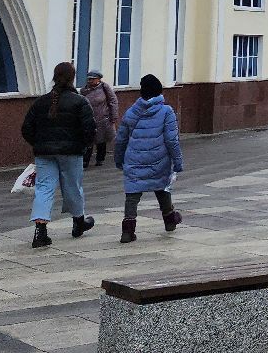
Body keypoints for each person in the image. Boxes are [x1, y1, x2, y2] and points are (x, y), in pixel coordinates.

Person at [20, 62, 96, 248]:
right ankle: (79, 222)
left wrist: (38, 144)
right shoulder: (80, 102)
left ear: (55, 77)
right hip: (72, 152)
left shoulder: (40, 102)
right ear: (72, 78)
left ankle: (40, 232)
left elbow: (26, 128)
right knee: (73, 187)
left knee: (44, 189)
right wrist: (83, 146)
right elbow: (90, 129)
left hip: (44, 153)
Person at [114, 73, 183, 243]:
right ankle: (169, 220)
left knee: (132, 195)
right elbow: (171, 140)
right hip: (159, 160)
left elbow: (121, 138)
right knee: (162, 188)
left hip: (134, 160)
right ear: (159, 92)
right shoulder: (166, 111)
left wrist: (119, 159)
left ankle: (128, 231)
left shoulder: (131, 112)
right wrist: (178, 162)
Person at [81, 70, 118, 168]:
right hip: (89, 119)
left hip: (103, 118)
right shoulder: (84, 90)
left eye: (92, 79)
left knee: (101, 139)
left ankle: (100, 159)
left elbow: (113, 101)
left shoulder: (104, 88)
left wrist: (113, 116)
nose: (90, 81)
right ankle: (85, 161)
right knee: (89, 140)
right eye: (89, 79)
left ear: (98, 80)